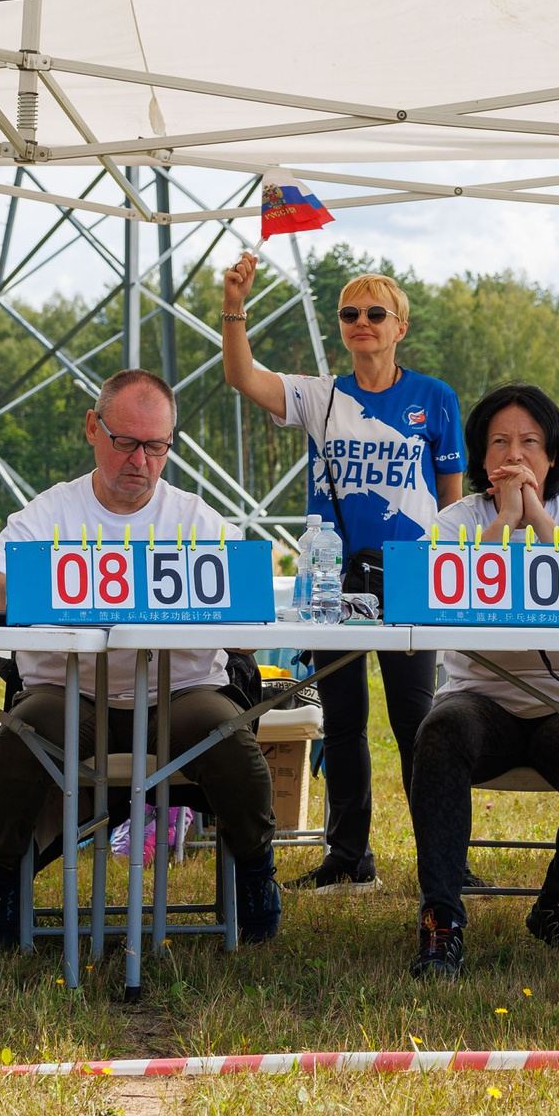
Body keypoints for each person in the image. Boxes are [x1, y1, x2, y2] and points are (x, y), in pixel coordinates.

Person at [0, 368, 282, 949]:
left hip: (180, 693)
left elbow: (251, 632)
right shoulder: (50, 513)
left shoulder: (197, 520)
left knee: (228, 738)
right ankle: (6, 877)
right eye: (126, 442)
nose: (140, 460)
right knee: (20, 739)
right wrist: (71, 584)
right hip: (71, 695)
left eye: (156, 447)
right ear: (93, 428)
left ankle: (256, 870)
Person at [219, 253, 464, 893]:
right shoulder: (320, 395)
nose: (362, 322)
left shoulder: (434, 398)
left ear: (400, 327)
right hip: (333, 574)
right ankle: (349, 855)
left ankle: (441, 856)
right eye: (350, 313)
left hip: (410, 574)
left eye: (376, 314)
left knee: (417, 722)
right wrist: (234, 307)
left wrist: (446, 566)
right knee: (343, 717)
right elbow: (243, 376)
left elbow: (451, 500)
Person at [405, 384, 559, 978]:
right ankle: (441, 918)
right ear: (481, 458)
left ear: (553, 455)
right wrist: (504, 522)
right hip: (479, 699)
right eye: (500, 442)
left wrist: (535, 518)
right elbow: (434, 600)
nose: (514, 455)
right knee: (438, 737)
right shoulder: (456, 520)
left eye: (530, 442)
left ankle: (558, 903)